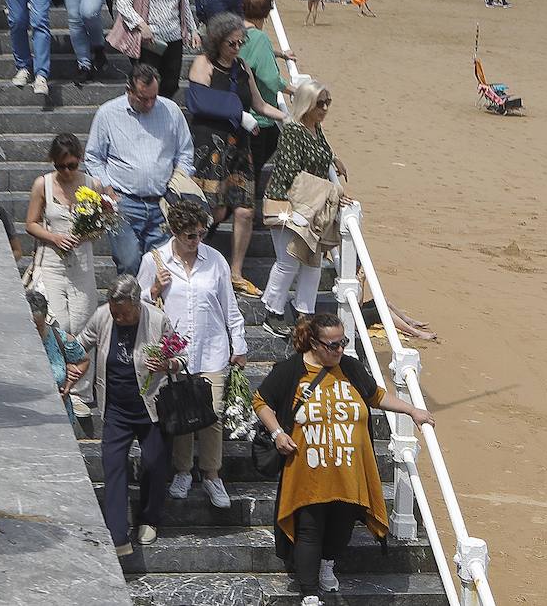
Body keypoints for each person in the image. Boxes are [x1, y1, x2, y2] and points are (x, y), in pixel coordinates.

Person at [253, 313, 434, 603]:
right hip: (308, 470)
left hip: (349, 468)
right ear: (313, 342)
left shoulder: (350, 367)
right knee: (310, 528)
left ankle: (328, 564)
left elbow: (376, 396)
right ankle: (309, 592)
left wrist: (412, 410)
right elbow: (261, 401)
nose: (339, 350)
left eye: (343, 342)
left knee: (342, 526)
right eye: (332, 345)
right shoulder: (291, 370)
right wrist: (277, 433)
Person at [136, 199, 247, 509]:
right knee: (182, 412)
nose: (197, 241)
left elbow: (229, 306)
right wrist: (154, 290)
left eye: (201, 234)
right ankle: (183, 471)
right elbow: (138, 304)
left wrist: (239, 344)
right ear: (175, 231)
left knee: (212, 412)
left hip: (212, 346)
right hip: (175, 350)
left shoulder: (216, 261)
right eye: (190, 236)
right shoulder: (153, 261)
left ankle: (212, 474)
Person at [71, 276, 182, 555]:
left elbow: (184, 357)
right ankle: (118, 535)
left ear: (137, 305)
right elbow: (80, 345)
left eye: (124, 313)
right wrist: (75, 364)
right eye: (114, 312)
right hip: (116, 408)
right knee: (113, 467)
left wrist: (168, 363)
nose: (118, 318)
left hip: (151, 408)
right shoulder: (102, 317)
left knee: (155, 464)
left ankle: (149, 518)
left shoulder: (157, 320)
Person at [187, 13, 286, 295]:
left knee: (244, 211)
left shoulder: (242, 67)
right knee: (216, 210)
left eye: (240, 43)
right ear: (218, 41)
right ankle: (196, 257)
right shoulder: (203, 64)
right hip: (211, 147)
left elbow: (261, 105)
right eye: (232, 43)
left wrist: (289, 119)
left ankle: (236, 272)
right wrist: (236, 112)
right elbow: (198, 102)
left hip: (239, 146)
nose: (237, 48)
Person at [85, 64, 196, 277]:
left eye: (154, 97)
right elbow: (93, 157)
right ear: (129, 91)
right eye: (143, 98)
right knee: (128, 262)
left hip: (163, 202)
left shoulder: (170, 110)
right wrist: (107, 189)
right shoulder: (108, 113)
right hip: (123, 202)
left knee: (161, 266)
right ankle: (130, 308)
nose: (150, 103)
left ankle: (153, 309)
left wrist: (178, 185)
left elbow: (185, 152)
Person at [259, 81, 349, 337]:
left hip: (311, 206)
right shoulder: (292, 131)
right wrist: (332, 191)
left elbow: (321, 153)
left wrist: (334, 159)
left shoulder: (315, 129)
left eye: (327, 103)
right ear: (307, 104)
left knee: (313, 263)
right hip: (288, 204)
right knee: (288, 262)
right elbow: (289, 174)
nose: (324, 108)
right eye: (319, 103)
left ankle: (305, 313)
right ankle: (272, 311)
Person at [25, 133, 103, 415]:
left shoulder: (92, 184)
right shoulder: (42, 185)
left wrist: (85, 233)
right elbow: (30, 224)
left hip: (82, 262)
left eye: (71, 165)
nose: (67, 171)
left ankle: (80, 391)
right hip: (53, 263)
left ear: (79, 160)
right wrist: (54, 237)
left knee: (83, 322)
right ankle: (53, 380)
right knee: (60, 321)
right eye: (61, 166)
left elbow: (102, 224)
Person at [106, 0, 200, 99]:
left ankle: (159, 112)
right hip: (149, 40)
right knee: (146, 83)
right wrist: (142, 25)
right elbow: (122, 5)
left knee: (171, 83)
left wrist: (193, 29)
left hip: (174, 37)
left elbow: (184, 2)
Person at [240, 0, 297, 178]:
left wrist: (279, 53)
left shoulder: (237, 33)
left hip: (240, 112)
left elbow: (252, 54)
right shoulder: (260, 38)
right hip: (259, 117)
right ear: (265, 14)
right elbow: (271, 79)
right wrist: (293, 90)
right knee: (253, 171)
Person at [26, 289, 88, 424]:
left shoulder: (61, 338)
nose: (35, 333)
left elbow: (84, 360)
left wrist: (69, 384)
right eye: (31, 328)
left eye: (39, 327)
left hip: (58, 418)